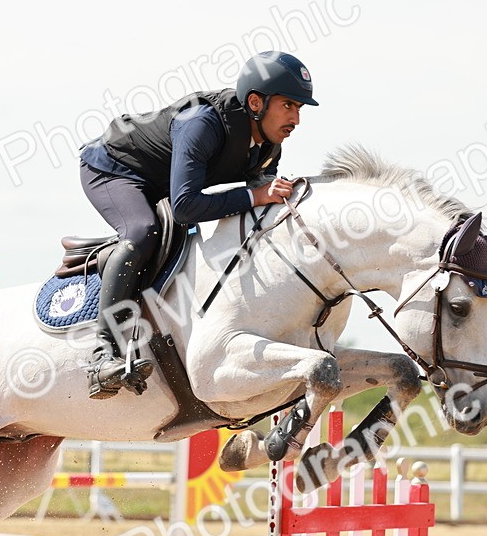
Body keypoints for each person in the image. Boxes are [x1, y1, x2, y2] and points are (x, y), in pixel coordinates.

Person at [78, 50, 319, 400]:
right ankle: (102, 354)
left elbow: (260, 212)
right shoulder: (202, 123)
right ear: (256, 102)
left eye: (299, 109)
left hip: (165, 182)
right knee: (143, 231)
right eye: (289, 106)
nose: (296, 119)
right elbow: (186, 207)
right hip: (115, 169)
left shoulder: (269, 146)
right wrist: (255, 196)